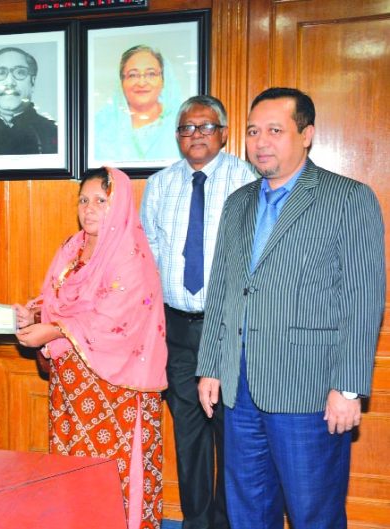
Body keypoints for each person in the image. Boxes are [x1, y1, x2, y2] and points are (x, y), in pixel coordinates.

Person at [196, 87, 384, 528]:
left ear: (307, 134)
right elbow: (222, 289)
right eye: (253, 131)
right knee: (248, 511)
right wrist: (210, 365)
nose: (261, 142)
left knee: (313, 513)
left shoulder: (347, 199)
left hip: (309, 391)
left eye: (275, 130)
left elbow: (362, 301)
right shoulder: (238, 203)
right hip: (239, 391)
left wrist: (350, 387)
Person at [15, 168, 167, 529]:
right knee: (71, 464)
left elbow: (112, 318)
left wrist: (51, 330)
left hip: (117, 387)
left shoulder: (131, 254)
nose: (90, 208)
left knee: (110, 469)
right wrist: (32, 313)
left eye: (101, 200)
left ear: (121, 204)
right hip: (70, 382)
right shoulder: (72, 247)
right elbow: (55, 298)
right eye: (84, 200)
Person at [140, 95, 256, 529]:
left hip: (228, 327)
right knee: (188, 435)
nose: (196, 135)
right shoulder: (159, 184)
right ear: (177, 136)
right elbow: (148, 257)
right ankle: (196, 521)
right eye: (187, 128)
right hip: (177, 329)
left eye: (206, 127)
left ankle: (228, 522)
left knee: (232, 434)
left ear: (224, 133)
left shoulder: (248, 181)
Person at [93, 45, 181, 163]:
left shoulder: (180, 123)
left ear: (163, 80)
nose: (141, 82)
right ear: (122, 82)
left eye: (151, 74)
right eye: (133, 75)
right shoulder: (101, 126)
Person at [0, 47, 58, 156]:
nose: (10, 82)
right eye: (1, 73)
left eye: (20, 72)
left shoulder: (55, 134)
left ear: (32, 82)